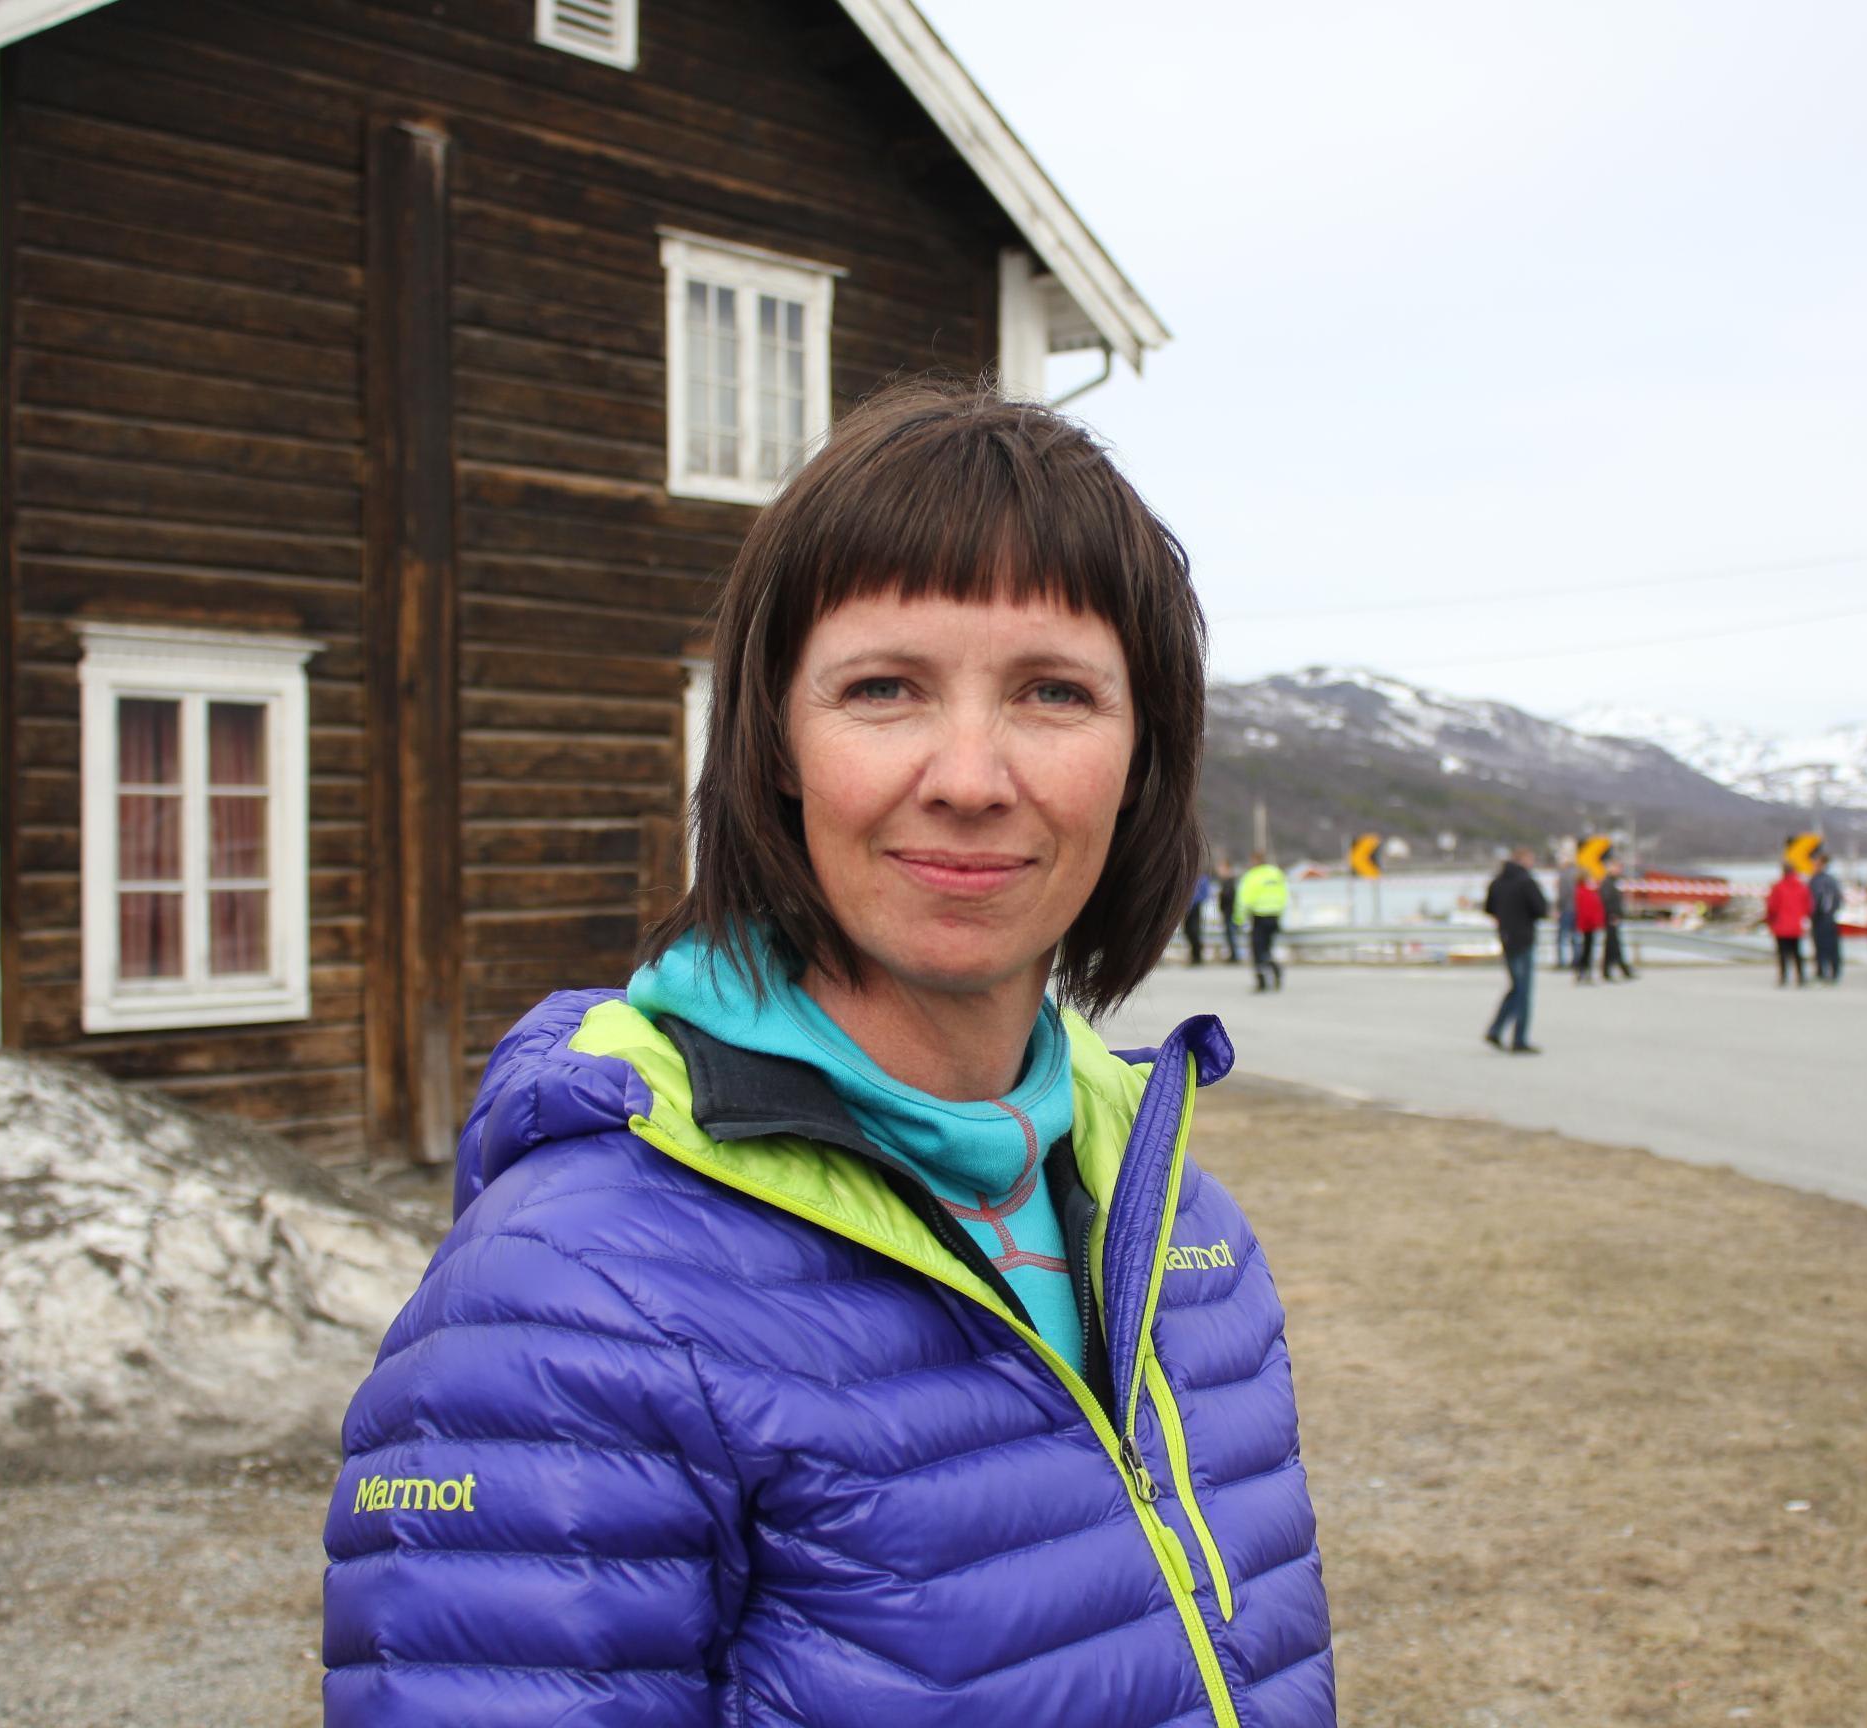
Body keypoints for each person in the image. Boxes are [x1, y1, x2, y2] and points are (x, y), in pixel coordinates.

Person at [320, 383, 1335, 1724]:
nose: (970, 777)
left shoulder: (1188, 1236)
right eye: (882, 689)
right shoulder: (573, 1302)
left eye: (1053, 692)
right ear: (778, 746)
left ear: (1140, 752)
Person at [1482, 846, 1549, 1052]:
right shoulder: (1526, 882)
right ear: (1524, 860)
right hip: (1524, 938)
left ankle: (1496, 1029)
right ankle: (1519, 1038)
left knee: (1516, 986)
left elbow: (1488, 908)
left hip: (1506, 937)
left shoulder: (1497, 882)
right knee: (1523, 990)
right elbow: (1541, 909)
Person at [1235, 847, 1290, 992]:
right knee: (1267, 949)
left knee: (1258, 950)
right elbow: (1285, 894)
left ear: (1254, 861)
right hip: (1274, 917)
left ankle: (1262, 981)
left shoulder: (1252, 876)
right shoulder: (1276, 873)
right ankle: (1274, 969)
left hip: (1259, 917)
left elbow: (1243, 900)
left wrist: (1239, 920)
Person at [1764, 861, 1812, 986]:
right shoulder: (1802, 886)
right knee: (1797, 952)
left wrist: (1769, 921)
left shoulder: (1778, 887)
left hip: (1781, 924)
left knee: (1782, 952)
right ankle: (1801, 977)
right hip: (1796, 924)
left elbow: (1772, 906)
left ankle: (1783, 977)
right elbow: (1808, 906)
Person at [1808, 851, 1844, 983]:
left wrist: (1819, 912)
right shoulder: (1827, 880)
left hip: (1823, 917)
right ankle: (1825, 971)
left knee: (1826, 946)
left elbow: (1820, 900)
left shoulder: (1821, 881)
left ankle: (1828, 972)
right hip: (1825, 917)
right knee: (1824, 946)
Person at [1571, 868, 1608, 983]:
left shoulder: (1585, 890)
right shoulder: (1584, 891)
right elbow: (1588, 909)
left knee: (1587, 949)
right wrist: (1595, 922)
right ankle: (1584, 971)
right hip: (1588, 925)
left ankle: (1584, 971)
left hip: (1588, 924)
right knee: (1587, 949)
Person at [1600, 866, 1637, 981]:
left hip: (1611, 917)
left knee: (1610, 945)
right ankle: (1623, 969)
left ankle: (1608, 970)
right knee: (1614, 945)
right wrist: (1613, 914)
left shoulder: (1612, 883)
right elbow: (1607, 901)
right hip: (1611, 918)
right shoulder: (1608, 884)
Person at [1553, 843, 1583, 969]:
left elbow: (1563, 893)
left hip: (1566, 909)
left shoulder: (1564, 874)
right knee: (1576, 936)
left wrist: (1558, 908)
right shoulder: (1578, 872)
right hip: (1578, 909)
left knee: (1562, 937)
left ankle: (1561, 961)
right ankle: (1577, 960)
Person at [1214, 851, 1242, 964]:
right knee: (1230, 934)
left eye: (1221, 868)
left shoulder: (1230, 881)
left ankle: (1235, 956)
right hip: (1228, 911)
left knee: (1231, 934)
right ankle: (1233, 955)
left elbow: (1230, 897)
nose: (1219, 870)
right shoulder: (1226, 881)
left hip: (1231, 912)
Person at [1183, 864, 1214, 966]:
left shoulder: (1202, 878)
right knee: (1187, 931)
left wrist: (1195, 901)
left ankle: (1197, 955)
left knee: (1194, 930)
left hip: (1195, 908)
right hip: (1186, 908)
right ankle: (1195, 953)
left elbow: (1205, 894)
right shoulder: (1186, 877)